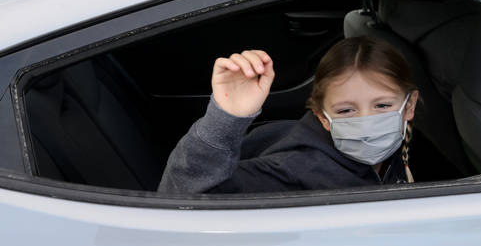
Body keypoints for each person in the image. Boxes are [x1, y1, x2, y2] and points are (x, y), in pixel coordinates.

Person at [159, 36, 419, 194]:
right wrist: (226, 117)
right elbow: (185, 195)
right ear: (322, 117)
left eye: (382, 106)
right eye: (346, 110)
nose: (365, 122)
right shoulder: (299, 170)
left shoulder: (393, 149)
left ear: (409, 106)